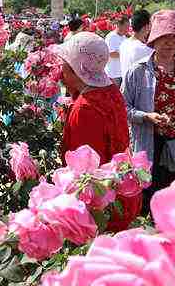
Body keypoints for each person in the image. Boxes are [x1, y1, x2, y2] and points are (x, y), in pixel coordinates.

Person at [55, 32, 140, 232]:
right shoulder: (110, 89)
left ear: (75, 69)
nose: (60, 71)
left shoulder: (85, 108)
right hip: (121, 187)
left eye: (64, 64)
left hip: (101, 202)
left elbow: (84, 169)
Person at [122, 11, 175, 204]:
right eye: (164, 38)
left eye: (174, 37)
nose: (170, 42)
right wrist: (145, 116)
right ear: (153, 40)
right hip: (152, 143)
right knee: (153, 195)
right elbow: (123, 107)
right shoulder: (138, 71)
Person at [119, 9, 153, 79]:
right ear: (146, 27)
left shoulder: (124, 44)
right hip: (137, 88)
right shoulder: (145, 50)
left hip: (125, 86)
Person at [105, 16, 130, 84]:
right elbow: (111, 54)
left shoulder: (124, 37)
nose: (128, 29)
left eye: (128, 26)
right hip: (114, 74)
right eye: (126, 26)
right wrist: (128, 54)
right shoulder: (111, 37)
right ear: (119, 25)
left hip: (122, 72)